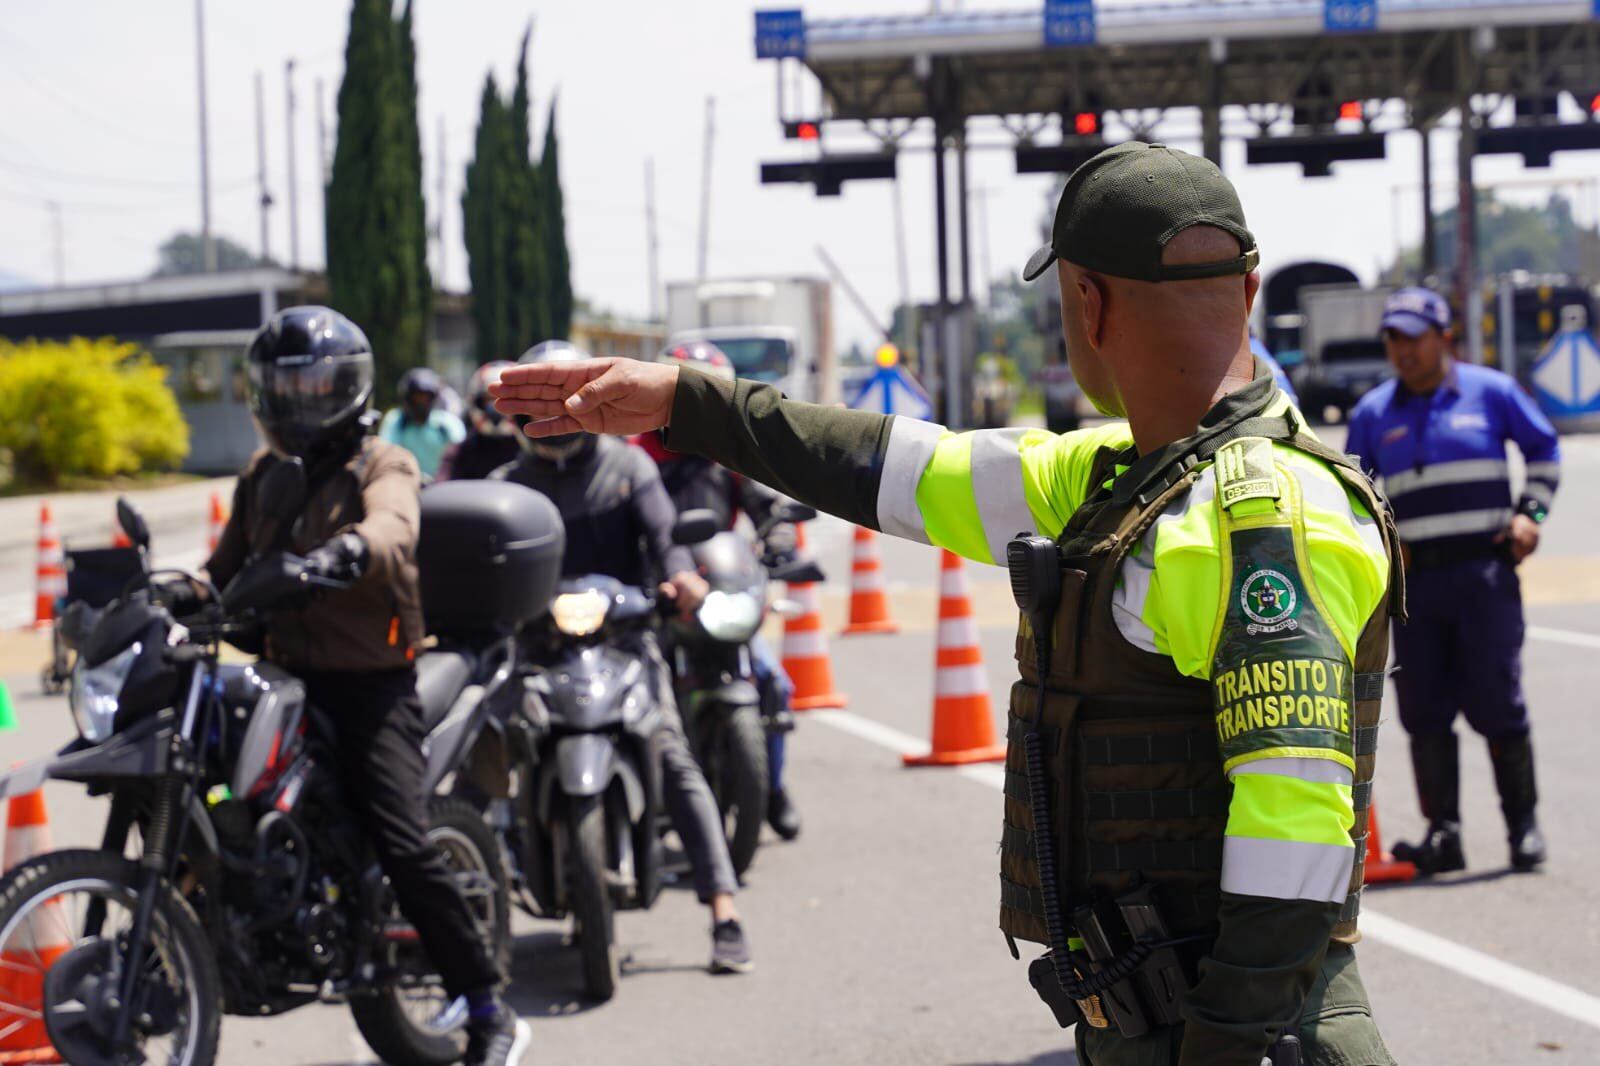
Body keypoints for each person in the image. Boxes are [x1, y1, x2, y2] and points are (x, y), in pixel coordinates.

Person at [495, 142, 1404, 1066]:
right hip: (1174, 1022)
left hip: (1243, 1034)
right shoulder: (1116, 477)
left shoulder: (1259, 512)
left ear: (1087, 304)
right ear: (1249, 289)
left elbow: (1295, 823)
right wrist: (684, 403)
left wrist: (1221, 1050)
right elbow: (899, 468)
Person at [206, 306, 527, 1066]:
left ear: (349, 386)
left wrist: (343, 552)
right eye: (284, 385)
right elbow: (220, 572)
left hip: (371, 684)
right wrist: (169, 593)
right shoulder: (262, 476)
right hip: (282, 677)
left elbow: (393, 528)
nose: (299, 398)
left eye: (315, 383)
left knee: (402, 838)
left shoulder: (383, 463)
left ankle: (487, 1005)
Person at [490, 339, 756, 975]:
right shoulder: (507, 488)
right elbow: (484, 561)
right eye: (541, 406)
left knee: (673, 755)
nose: (555, 420)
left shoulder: (626, 467)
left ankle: (724, 908)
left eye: (566, 401)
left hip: (626, 639)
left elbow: (666, 537)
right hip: (535, 649)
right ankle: (470, 912)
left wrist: (682, 579)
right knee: (482, 753)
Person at [1346, 287, 1559, 874]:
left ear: (1446, 337)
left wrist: (1530, 515)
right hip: (1416, 588)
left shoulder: (1491, 393)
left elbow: (1543, 449)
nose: (1402, 350)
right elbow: (1356, 497)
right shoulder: (1372, 414)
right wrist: (1384, 547)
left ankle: (1523, 828)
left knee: (1497, 700)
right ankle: (1445, 834)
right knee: (1423, 706)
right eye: (1393, 338)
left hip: (1484, 575)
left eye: (1413, 337)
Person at [641, 340, 804, 840]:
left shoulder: (728, 456)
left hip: (722, 592)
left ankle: (772, 788)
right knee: (643, 695)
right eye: (685, 390)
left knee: (774, 682)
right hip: (658, 600)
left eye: (707, 392)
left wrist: (778, 537)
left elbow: (765, 505)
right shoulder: (637, 457)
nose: (694, 403)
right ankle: (644, 801)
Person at [439, 361, 521, 481]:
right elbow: (442, 486)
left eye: (504, 400)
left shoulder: (533, 450)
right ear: (475, 402)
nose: (495, 409)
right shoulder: (461, 451)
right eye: (489, 400)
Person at [380, 366, 467, 480]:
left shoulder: (447, 424)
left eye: (425, 398)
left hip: (444, 489)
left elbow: (462, 456)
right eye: (417, 397)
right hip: (406, 486)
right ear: (407, 397)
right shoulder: (396, 421)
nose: (421, 403)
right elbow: (387, 454)